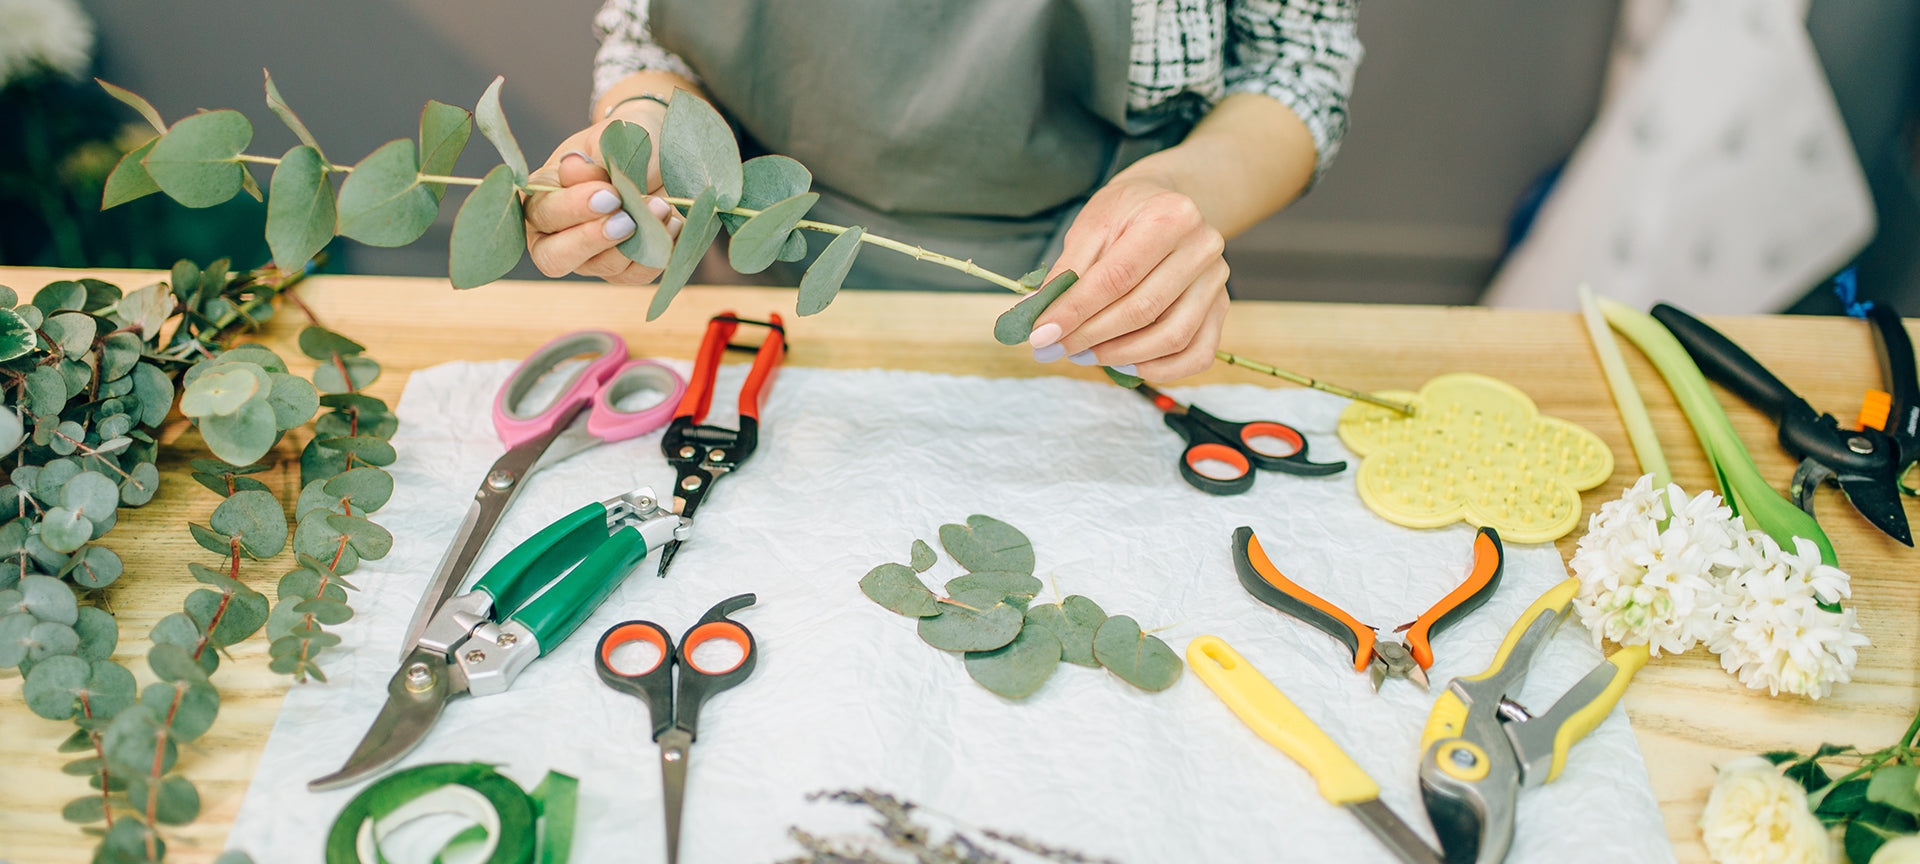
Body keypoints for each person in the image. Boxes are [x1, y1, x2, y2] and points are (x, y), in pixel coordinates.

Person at [522, 1, 1360, 381]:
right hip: (776, 308)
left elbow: (1295, 63)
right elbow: (652, 42)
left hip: (1105, 312)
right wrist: (645, 151)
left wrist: (1179, 189)